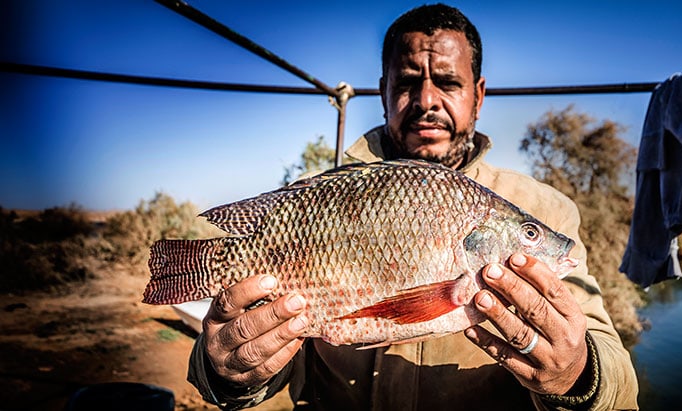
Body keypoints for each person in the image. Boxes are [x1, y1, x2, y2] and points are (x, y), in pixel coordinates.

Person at [187, 4, 640, 410]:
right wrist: (226, 372)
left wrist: (578, 373)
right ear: (384, 92)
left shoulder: (544, 208)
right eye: (407, 83)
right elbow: (258, 359)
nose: (426, 101)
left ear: (477, 96)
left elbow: (613, 370)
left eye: (447, 83)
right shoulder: (317, 195)